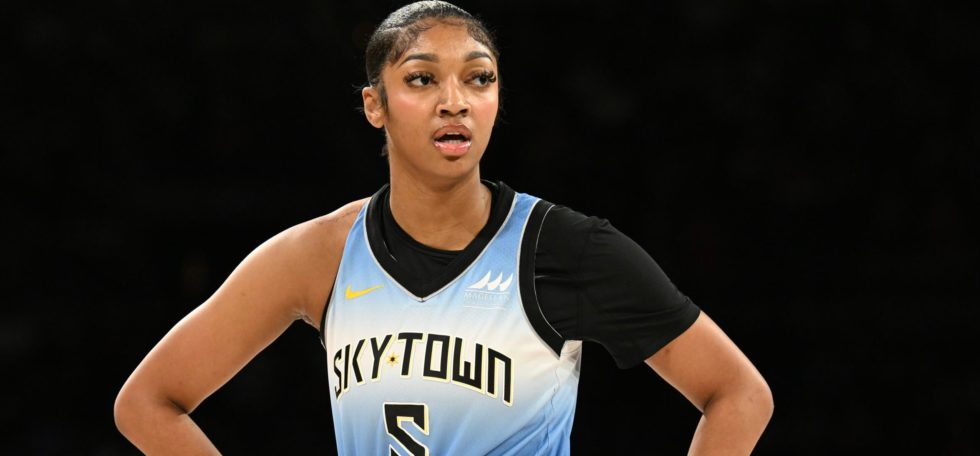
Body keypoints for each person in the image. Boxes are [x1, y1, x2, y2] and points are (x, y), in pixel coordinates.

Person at [113, 2, 773, 454]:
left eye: (478, 78)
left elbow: (739, 393)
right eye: (422, 78)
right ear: (375, 105)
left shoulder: (564, 247)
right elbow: (148, 402)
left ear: (496, 100)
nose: (454, 100)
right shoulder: (318, 255)